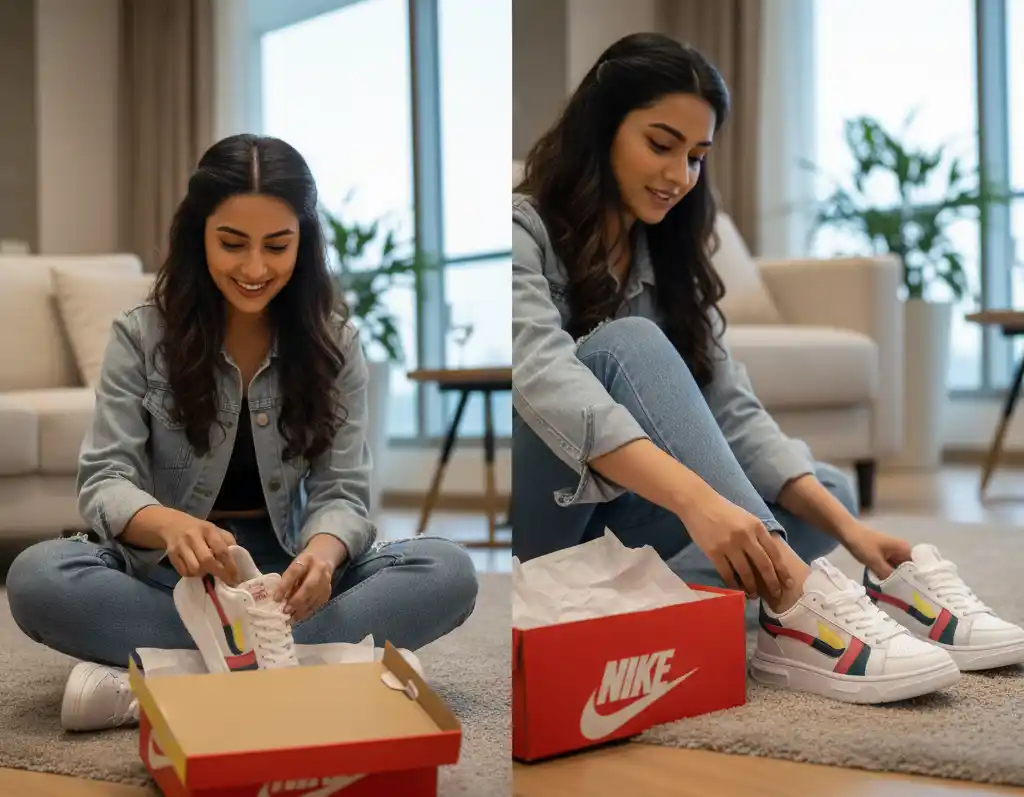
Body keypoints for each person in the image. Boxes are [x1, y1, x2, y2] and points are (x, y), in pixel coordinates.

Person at [512, 33, 1024, 703]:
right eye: (661, 145)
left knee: (828, 494)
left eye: (696, 157)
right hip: (547, 515)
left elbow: (734, 409)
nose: (678, 176)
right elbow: (548, 380)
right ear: (602, 128)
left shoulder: (665, 258)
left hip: (622, 521)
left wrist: (853, 535)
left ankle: (668, 600)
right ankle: (788, 593)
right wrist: (701, 502)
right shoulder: (523, 231)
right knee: (623, 345)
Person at [7, 134, 479, 731]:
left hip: (287, 585)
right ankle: (323, 665)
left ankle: (172, 675)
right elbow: (107, 478)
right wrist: (171, 525)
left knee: (448, 570)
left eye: (276, 246)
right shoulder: (141, 337)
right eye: (232, 243)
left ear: (302, 245)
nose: (254, 269)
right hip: (170, 581)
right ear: (198, 234)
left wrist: (323, 556)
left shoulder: (337, 345)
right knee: (37, 577)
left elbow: (343, 493)